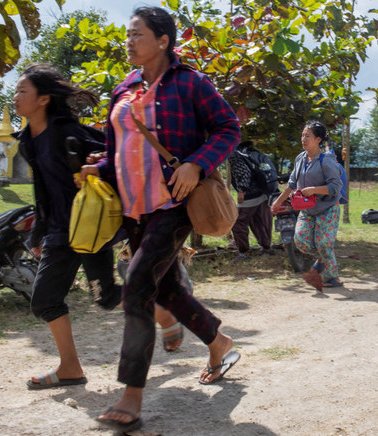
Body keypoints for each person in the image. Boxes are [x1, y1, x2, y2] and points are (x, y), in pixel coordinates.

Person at [79, 7, 241, 432]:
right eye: (128, 34)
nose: (129, 41)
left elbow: (228, 128)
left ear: (163, 40)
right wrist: (99, 169)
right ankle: (218, 342)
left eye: (138, 34)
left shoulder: (190, 83)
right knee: (165, 288)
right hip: (133, 210)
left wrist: (196, 165)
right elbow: (119, 151)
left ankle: (131, 395)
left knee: (136, 290)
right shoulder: (123, 89)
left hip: (172, 205)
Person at [12, 63, 124, 390]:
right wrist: (37, 232)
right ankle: (70, 368)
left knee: (106, 298)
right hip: (61, 232)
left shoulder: (67, 133)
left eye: (23, 91)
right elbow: (43, 189)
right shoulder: (28, 141)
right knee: (44, 300)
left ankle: (163, 305)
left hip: (90, 227)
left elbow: (114, 158)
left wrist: (94, 167)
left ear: (44, 99)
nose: (16, 96)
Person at [270, 121, 343, 292]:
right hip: (307, 209)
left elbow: (336, 187)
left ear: (318, 139)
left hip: (327, 208)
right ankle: (324, 258)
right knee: (301, 242)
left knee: (323, 242)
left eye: (307, 136)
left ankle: (333, 278)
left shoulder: (326, 161)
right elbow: (292, 184)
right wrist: (278, 201)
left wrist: (314, 190)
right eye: (302, 135)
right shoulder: (300, 158)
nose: (303, 139)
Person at [229, 140, 275, 260]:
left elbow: (244, 174)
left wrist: (241, 192)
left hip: (249, 194)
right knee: (257, 221)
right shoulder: (250, 153)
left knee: (238, 223)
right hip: (261, 192)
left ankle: (243, 253)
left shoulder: (234, 155)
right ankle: (266, 248)